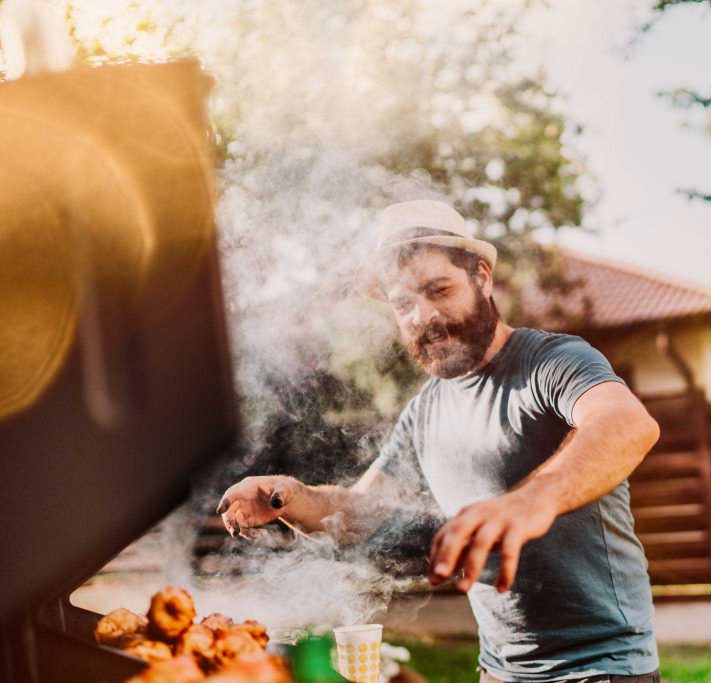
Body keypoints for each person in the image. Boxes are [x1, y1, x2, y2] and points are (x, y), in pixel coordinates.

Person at [217, 200, 662, 682]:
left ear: (482, 278)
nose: (422, 316)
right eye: (403, 303)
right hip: (497, 671)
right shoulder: (424, 412)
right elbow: (357, 517)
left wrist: (534, 499)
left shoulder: (551, 362)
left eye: (439, 290)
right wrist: (287, 497)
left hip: (600, 670)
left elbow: (627, 423)